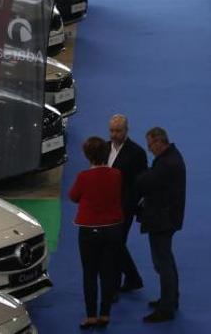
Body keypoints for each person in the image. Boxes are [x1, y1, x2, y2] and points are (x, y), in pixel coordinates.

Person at [69, 137, 123, 330]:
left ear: (87, 156)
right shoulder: (116, 174)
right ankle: (105, 314)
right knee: (107, 272)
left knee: (89, 273)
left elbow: (73, 197)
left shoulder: (83, 177)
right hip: (113, 228)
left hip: (89, 230)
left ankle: (91, 316)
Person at [137, 127, 186, 323]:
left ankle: (166, 309)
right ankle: (171, 299)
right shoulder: (172, 156)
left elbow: (145, 182)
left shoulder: (166, 164)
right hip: (169, 218)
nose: (149, 150)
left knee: (162, 264)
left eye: (150, 145)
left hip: (162, 220)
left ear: (159, 141)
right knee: (167, 261)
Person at [106, 115, 147, 293]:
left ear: (126, 131)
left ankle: (113, 289)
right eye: (112, 130)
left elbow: (141, 183)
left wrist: (128, 206)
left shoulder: (137, 153)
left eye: (118, 131)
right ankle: (133, 278)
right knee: (116, 244)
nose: (114, 134)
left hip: (124, 208)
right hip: (106, 205)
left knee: (115, 246)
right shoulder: (104, 148)